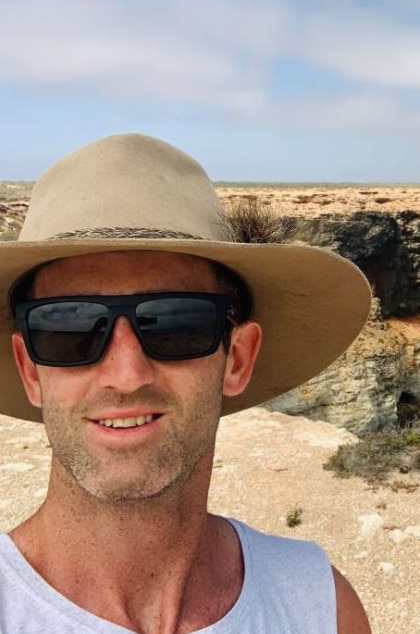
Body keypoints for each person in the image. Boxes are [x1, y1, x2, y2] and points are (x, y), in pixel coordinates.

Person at [0, 134, 372, 633]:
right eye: (69, 327)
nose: (127, 376)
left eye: (176, 325)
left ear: (238, 358)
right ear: (30, 370)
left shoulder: (320, 607)